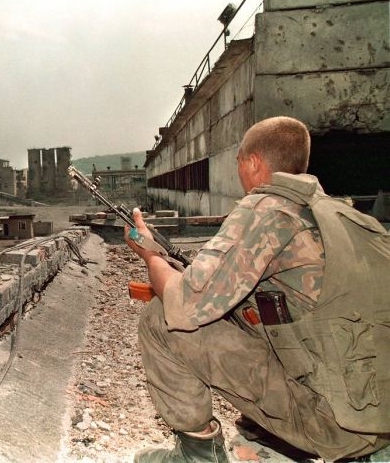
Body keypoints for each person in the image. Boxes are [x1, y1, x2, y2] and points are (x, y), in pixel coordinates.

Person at [125, 116, 389, 462]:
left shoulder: (267, 208)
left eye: (238, 163)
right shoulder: (351, 217)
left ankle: (198, 455)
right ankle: (270, 439)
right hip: (378, 416)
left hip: (336, 426)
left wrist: (150, 256)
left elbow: (184, 306)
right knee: (248, 316)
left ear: (253, 163)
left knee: (161, 319)